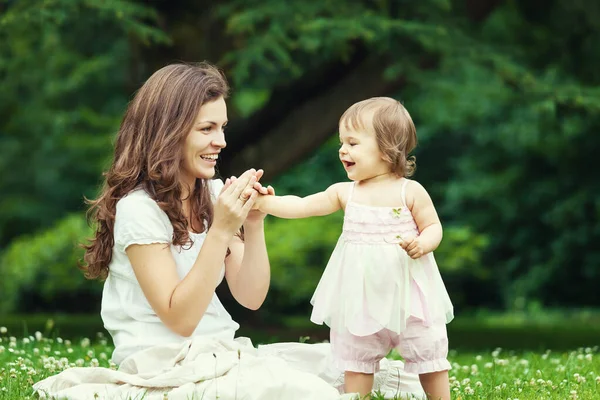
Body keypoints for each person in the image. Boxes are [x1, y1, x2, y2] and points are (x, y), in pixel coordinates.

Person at [32, 64, 425, 400]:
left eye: (222, 127)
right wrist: (220, 230)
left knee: (374, 377)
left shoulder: (212, 192)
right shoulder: (139, 208)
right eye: (207, 129)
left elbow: (251, 298)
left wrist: (252, 226)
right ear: (169, 131)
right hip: (166, 363)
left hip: (222, 350)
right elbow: (180, 319)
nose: (220, 141)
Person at [254, 97, 454, 399]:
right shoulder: (345, 193)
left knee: (428, 355)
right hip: (361, 300)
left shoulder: (409, 191)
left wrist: (422, 243)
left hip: (409, 300)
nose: (342, 150)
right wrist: (265, 202)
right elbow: (303, 205)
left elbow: (434, 227)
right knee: (357, 361)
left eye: (352, 143)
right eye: (341, 143)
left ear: (387, 148)